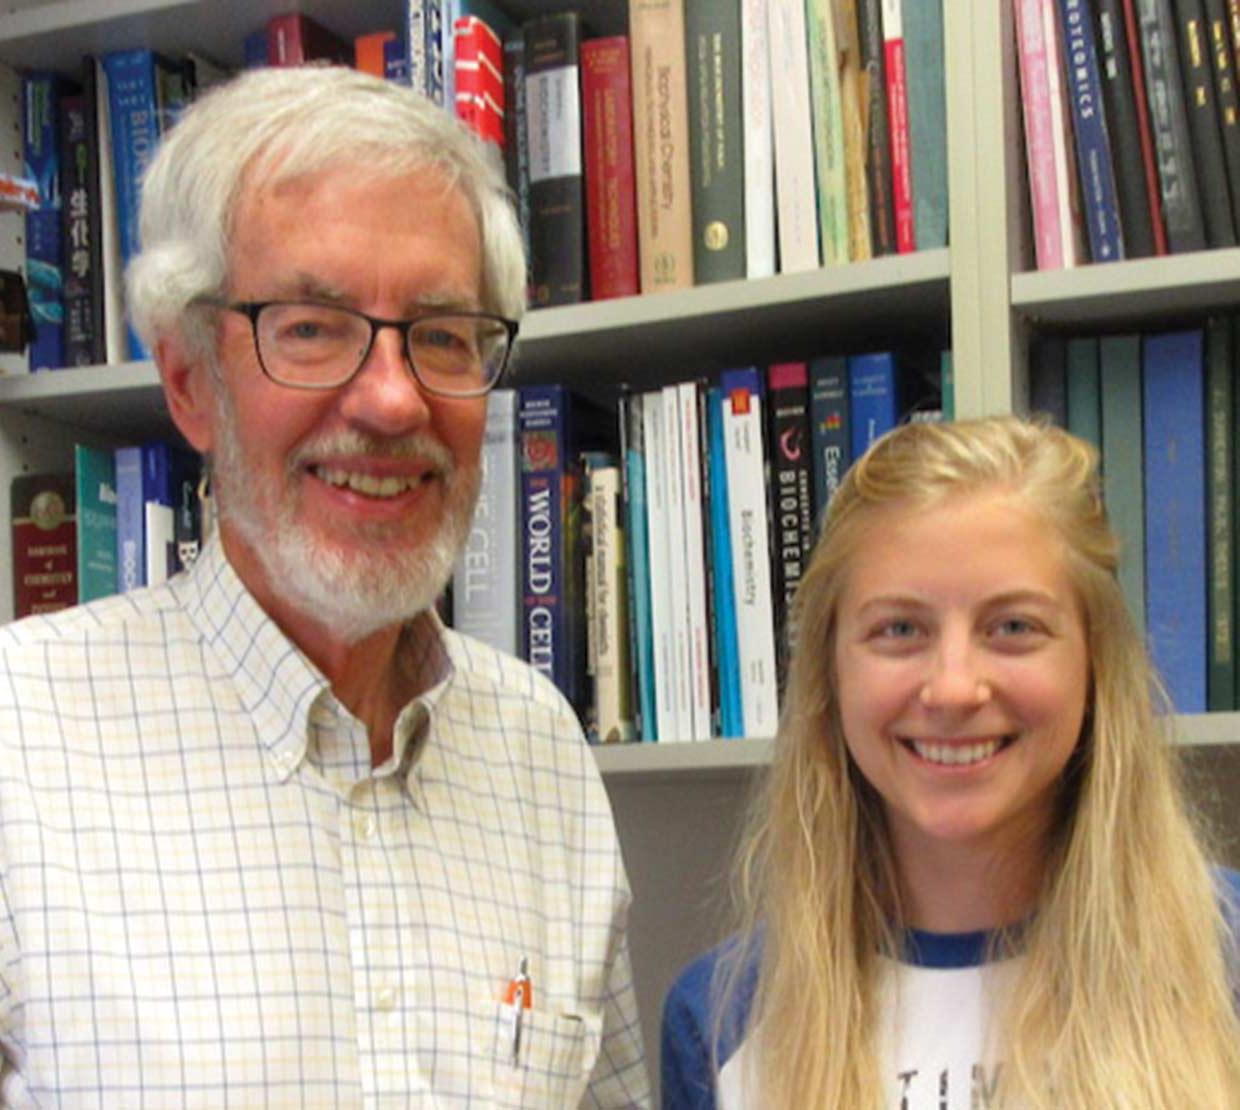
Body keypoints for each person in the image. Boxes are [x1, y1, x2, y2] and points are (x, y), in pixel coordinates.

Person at [0, 66, 650, 1107]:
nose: (392, 399)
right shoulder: (20, 739)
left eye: (442, 334)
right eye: (310, 326)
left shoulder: (540, 749)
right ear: (188, 383)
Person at [660, 415, 1240, 1109]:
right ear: (829, 674)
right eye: (899, 629)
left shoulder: (1224, 961)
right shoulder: (721, 1022)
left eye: (1014, 627)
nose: (955, 687)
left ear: (1095, 662)